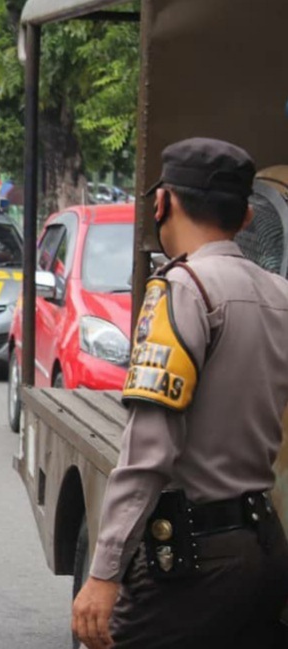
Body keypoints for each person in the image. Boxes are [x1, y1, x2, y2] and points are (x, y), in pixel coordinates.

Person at [72, 138, 288, 649]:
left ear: (163, 202)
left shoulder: (182, 291)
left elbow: (150, 450)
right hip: (262, 546)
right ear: (247, 219)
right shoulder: (279, 295)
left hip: (193, 558)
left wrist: (104, 572)